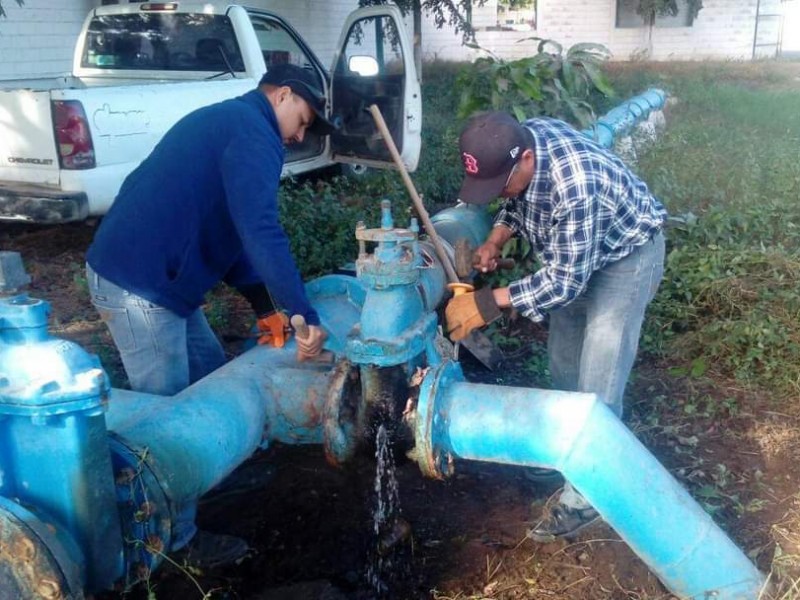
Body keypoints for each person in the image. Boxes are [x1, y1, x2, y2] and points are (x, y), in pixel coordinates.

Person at [85, 63, 334, 567]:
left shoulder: (235, 125)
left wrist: (267, 308)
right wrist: (303, 312)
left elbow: (236, 232)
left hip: (159, 282)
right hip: (140, 288)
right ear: (282, 96)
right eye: (303, 120)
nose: (300, 135)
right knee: (170, 422)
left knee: (211, 377)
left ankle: (217, 469)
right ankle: (176, 545)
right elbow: (262, 230)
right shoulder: (253, 133)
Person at [446, 111, 666, 541]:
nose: (497, 193)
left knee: (600, 369)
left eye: (500, 182)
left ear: (527, 159)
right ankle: (567, 449)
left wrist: (488, 303)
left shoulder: (576, 184)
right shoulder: (522, 139)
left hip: (626, 256)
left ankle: (588, 494)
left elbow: (564, 284)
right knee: (564, 360)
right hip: (576, 254)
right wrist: (495, 239)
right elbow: (515, 199)